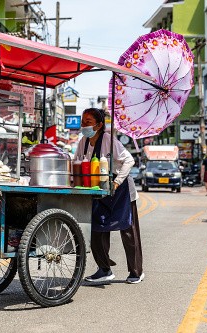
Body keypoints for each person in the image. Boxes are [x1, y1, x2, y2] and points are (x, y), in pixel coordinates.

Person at [74, 108, 144, 284]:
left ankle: (136, 272)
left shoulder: (109, 141)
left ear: (99, 125)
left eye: (88, 122)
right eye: (83, 121)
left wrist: (117, 181)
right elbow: (76, 161)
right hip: (98, 190)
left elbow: (129, 160)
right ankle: (104, 269)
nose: (84, 125)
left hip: (121, 190)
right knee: (97, 230)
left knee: (128, 231)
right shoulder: (83, 142)